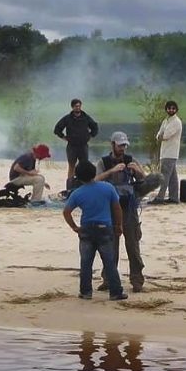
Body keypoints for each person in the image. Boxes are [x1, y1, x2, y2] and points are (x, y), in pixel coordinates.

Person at [63, 161, 127, 301]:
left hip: (86, 229)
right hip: (104, 228)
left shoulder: (77, 193)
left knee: (86, 263)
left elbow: (66, 212)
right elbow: (117, 208)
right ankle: (115, 292)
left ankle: (86, 292)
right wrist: (119, 225)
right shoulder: (108, 188)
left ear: (78, 177)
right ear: (94, 173)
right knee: (109, 262)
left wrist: (74, 227)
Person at [95, 131, 146, 292]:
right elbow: (95, 180)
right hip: (109, 209)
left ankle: (137, 280)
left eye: (124, 145)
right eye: (120, 145)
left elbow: (144, 180)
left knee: (133, 245)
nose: (122, 148)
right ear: (112, 144)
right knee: (110, 246)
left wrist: (137, 171)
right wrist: (112, 171)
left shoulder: (131, 160)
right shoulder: (103, 162)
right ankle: (108, 279)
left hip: (129, 208)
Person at [53, 99, 99, 181]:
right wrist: (63, 137)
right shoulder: (67, 118)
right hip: (72, 146)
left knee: (84, 165)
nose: (78, 108)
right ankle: (70, 184)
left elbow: (95, 127)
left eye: (79, 106)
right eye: (76, 106)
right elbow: (57, 129)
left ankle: (84, 182)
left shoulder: (86, 117)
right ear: (72, 107)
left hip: (83, 146)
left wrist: (90, 136)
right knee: (71, 166)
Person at [150, 100, 183, 204]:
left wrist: (161, 136)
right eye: (169, 108)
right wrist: (161, 136)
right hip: (165, 152)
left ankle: (160, 198)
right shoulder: (166, 121)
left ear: (176, 110)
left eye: (173, 108)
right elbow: (158, 135)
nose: (171, 110)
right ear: (166, 109)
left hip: (170, 153)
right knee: (172, 177)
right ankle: (174, 198)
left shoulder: (176, 122)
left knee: (164, 176)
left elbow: (165, 135)